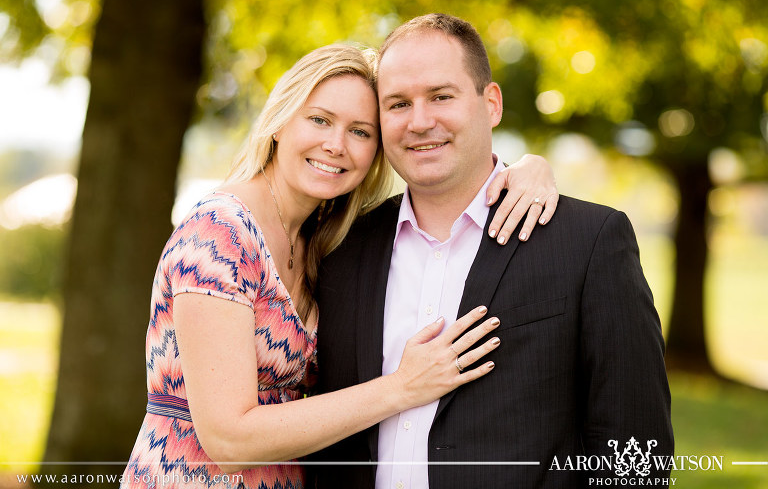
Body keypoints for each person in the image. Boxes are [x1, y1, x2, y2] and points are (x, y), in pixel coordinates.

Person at [121, 44, 558, 489]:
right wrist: (402, 387)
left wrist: (528, 169)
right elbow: (228, 438)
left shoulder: (325, 241)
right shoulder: (220, 233)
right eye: (319, 120)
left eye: (361, 132)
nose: (336, 145)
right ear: (279, 121)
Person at [311, 14, 674, 488]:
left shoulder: (588, 241)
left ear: (491, 103)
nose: (421, 122)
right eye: (398, 103)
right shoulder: (342, 247)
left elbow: (636, 457)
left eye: (442, 96)